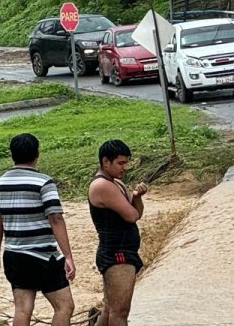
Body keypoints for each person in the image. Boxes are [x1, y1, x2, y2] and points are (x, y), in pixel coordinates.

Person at [0, 133, 76, 326]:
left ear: (12, 154)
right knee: (65, 307)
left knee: (22, 308)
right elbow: (56, 218)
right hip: (43, 256)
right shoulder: (44, 182)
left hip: (14, 255)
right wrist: (68, 256)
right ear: (37, 153)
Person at [89, 139, 147, 326]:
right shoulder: (103, 186)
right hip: (117, 254)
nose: (125, 168)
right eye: (120, 163)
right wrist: (134, 202)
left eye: (126, 162)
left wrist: (137, 197)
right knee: (119, 312)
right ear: (106, 162)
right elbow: (131, 215)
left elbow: (137, 211)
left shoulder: (114, 183)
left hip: (118, 252)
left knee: (109, 309)